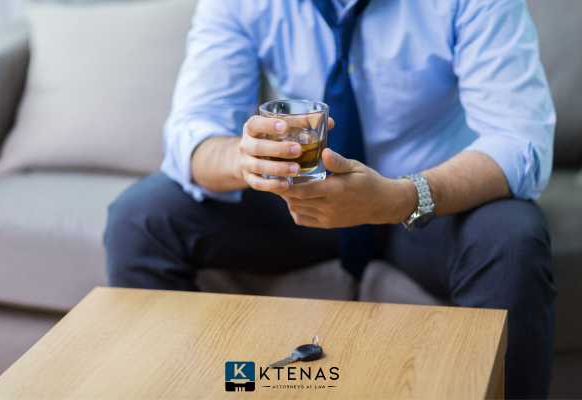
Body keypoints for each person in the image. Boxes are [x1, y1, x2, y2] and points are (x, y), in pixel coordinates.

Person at [104, 0, 556, 397]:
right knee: (140, 218)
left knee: (513, 238)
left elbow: (519, 140)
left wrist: (399, 196)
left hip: (427, 201)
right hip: (304, 199)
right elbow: (192, 133)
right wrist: (246, 159)